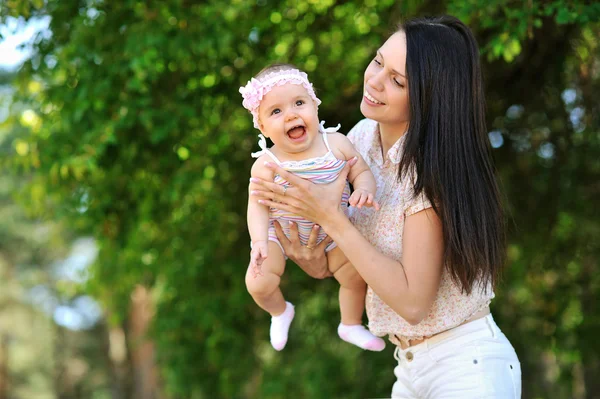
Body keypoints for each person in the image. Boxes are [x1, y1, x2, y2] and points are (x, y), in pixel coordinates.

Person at [250, 16, 522, 398]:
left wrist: (329, 218)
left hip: (465, 364)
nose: (375, 81)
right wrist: (311, 255)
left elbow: (413, 303)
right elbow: (347, 257)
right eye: (378, 62)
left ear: (430, 98)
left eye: (398, 80)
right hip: (408, 365)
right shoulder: (357, 140)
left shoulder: (431, 173)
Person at [241, 64, 386, 352]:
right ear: (262, 126)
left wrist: (364, 190)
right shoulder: (267, 163)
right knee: (257, 282)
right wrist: (259, 242)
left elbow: (361, 172)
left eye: (299, 103)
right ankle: (280, 311)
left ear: (314, 105)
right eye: (276, 111)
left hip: (334, 234)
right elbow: (256, 204)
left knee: (355, 276)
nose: (292, 114)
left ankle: (350, 323)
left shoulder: (337, 144)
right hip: (280, 235)